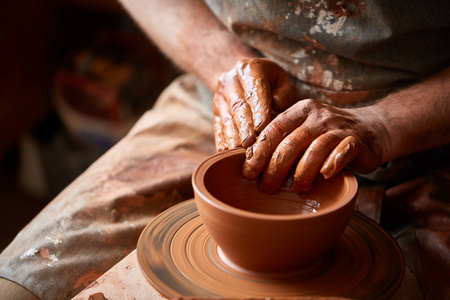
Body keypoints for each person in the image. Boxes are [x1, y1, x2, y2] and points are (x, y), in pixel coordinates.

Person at [0, 0, 449, 299]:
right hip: (223, 100)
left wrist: (386, 123)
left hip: (424, 134)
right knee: (20, 284)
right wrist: (223, 65)